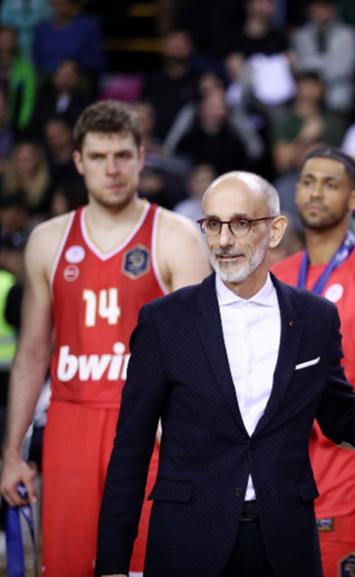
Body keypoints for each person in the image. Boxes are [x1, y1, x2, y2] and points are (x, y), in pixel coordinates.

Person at [95, 171, 355, 577]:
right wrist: (111, 565)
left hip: (285, 545)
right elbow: (131, 449)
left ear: (275, 230)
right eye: (213, 224)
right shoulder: (165, 321)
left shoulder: (315, 317)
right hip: (186, 543)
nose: (224, 240)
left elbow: (341, 416)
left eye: (241, 223)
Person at [0, 100, 211, 577]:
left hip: (149, 424)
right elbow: (32, 352)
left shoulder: (176, 236)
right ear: (78, 161)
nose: (111, 169)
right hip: (70, 421)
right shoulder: (48, 240)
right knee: (67, 566)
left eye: (121, 155)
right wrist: (12, 453)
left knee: (147, 566)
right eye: (98, 157)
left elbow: (200, 353)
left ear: (141, 157)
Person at [272, 148, 355, 577]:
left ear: (354, 199)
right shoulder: (276, 278)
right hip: (276, 477)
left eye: (330, 183)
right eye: (308, 181)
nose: (316, 193)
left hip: (345, 476)